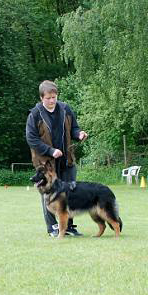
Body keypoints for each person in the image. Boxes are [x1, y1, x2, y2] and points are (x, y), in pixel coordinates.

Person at [26, 80, 88, 237]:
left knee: (69, 192)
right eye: (48, 98)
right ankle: (53, 227)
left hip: (66, 158)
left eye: (54, 97)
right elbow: (31, 138)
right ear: (42, 98)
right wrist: (50, 151)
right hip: (45, 162)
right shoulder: (35, 114)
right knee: (48, 193)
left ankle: (69, 226)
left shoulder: (65, 108)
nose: (52, 100)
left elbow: (74, 128)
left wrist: (79, 135)